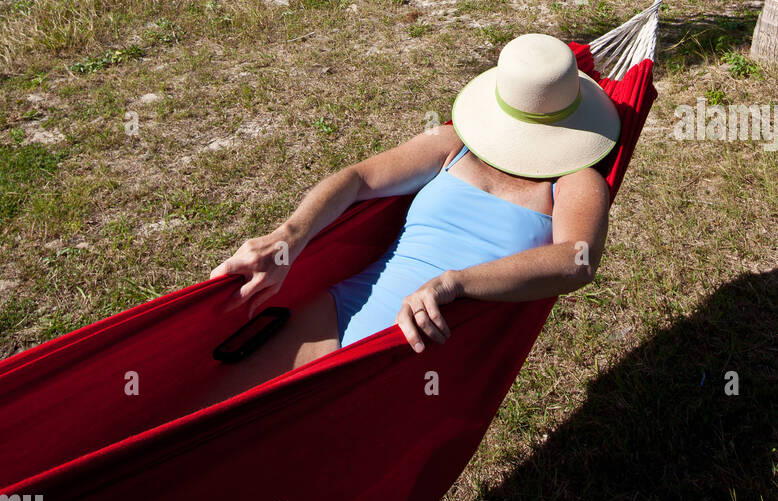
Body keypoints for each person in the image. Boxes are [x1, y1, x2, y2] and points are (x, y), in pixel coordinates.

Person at [208, 35, 616, 383]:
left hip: (426, 341)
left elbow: (576, 260)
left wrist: (455, 283)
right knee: (208, 428)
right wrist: (288, 236)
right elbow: (356, 179)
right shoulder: (452, 145)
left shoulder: (575, 180)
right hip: (347, 308)